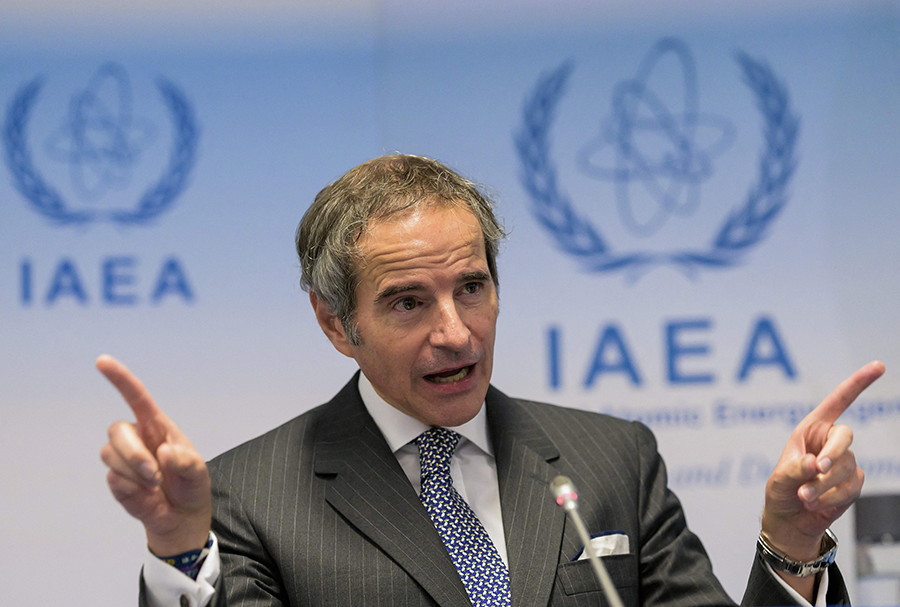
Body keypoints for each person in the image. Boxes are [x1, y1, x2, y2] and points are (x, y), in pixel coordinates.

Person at [99, 154, 884, 607]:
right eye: (409, 301)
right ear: (337, 323)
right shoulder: (248, 496)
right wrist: (176, 546)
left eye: (470, 287)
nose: (456, 330)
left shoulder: (611, 457)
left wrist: (791, 539)